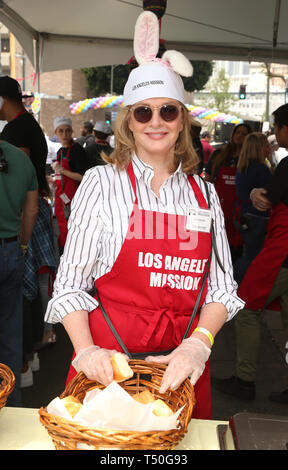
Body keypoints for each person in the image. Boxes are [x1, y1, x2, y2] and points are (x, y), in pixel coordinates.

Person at [45, 11, 244, 420]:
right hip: (108, 372)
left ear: (183, 119)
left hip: (181, 375)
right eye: (143, 112)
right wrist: (86, 351)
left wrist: (199, 343)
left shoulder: (204, 193)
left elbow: (222, 289)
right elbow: (68, 286)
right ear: (129, 123)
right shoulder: (101, 183)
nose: (156, 122)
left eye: (168, 111)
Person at [212, 104, 288, 402]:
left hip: (282, 253)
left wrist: (257, 194)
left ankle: (244, 380)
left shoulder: (285, 166)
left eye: (277, 128)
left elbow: (268, 200)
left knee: (245, 307)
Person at [0, 76, 57, 387]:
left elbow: (28, 204)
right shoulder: (29, 126)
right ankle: (21, 374)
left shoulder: (16, 134)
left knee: (20, 304)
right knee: (20, 306)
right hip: (15, 240)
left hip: (18, 230)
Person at [0, 140, 38, 405]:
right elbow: (31, 210)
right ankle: (11, 403)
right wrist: (21, 245)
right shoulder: (21, 158)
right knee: (10, 335)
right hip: (10, 249)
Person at [204, 123, 252, 262]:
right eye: (238, 132)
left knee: (233, 248)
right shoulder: (219, 154)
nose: (240, 136)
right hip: (218, 205)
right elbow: (208, 179)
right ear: (232, 135)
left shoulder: (249, 159)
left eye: (244, 134)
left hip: (238, 209)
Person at [233, 132, 273, 284]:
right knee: (254, 257)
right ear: (260, 148)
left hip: (244, 216)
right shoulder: (261, 169)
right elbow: (271, 194)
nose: (270, 148)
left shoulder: (242, 168)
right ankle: (240, 286)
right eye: (267, 145)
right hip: (259, 218)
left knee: (248, 254)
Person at [51, 117, 88, 252]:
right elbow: (62, 176)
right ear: (56, 132)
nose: (64, 134)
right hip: (62, 200)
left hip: (74, 200)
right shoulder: (61, 151)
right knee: (62, 231)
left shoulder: (77, 150)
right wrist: (54, 179)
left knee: (73, 234)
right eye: (61, 131)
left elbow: (83, 177)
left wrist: (63, 170)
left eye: (67, 131)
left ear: (72, 131)